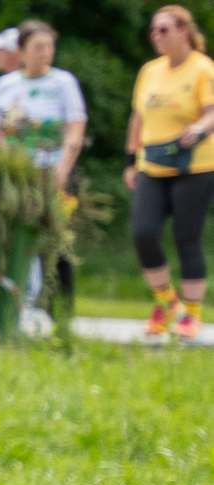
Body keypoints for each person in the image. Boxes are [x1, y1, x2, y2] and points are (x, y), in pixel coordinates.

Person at [0, 19, 87, 320]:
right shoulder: (6, 86)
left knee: (55, 240)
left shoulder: (63, 83)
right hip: (16, 174)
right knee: (14, 236)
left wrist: (63, 168)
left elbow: (75, 128)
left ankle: (60, 313)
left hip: (51, 170)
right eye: (38, 47)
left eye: (49, 46)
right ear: (22, 51)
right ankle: (17, 304)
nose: (45, 53)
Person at [126, 4, 214, 342]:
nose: (156, 36)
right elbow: (138, 118)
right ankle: (166, 302)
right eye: (153, 30)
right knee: (143, 232)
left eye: (164, 29)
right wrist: (130, 161)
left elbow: (211, 111)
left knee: (185, 236)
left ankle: (192, 313)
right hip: (153, 164)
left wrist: (199, 129)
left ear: (184, 31)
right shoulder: (150, 70)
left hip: (195, 164)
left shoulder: (202, 69)